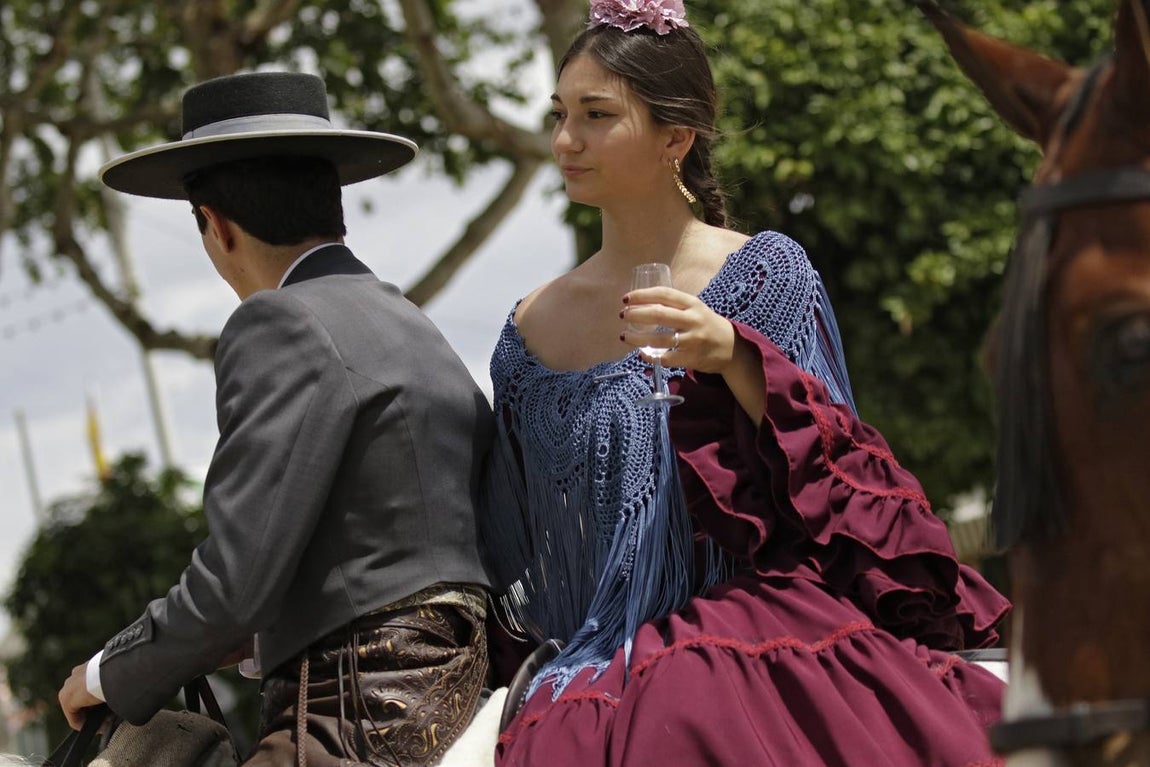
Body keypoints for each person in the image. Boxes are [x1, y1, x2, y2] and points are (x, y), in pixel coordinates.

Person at [479, 1, 1012, 765]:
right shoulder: (527, 330)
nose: (566, 140)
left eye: (596, 115)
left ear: (676, 136)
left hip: (751, 631)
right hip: (589, 659)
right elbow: (516, 551)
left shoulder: (764, 273)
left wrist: (734, 354)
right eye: (560, 113)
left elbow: (842, 480)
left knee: (688, 702)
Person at [57, 71, 494, 766]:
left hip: (355, 714)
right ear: (333, 202)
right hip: (457, 687)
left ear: (215, 226)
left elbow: (235, 581)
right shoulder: (411, 323)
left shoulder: (276, 320)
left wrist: (109, 671)